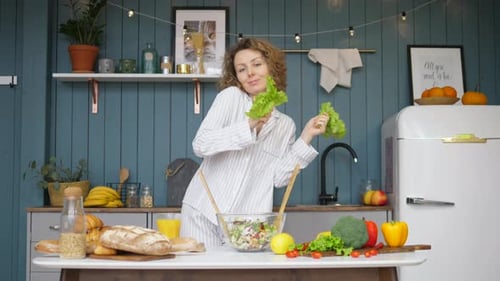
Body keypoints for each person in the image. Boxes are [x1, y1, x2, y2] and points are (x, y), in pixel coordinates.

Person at [179, 38, 329, 248]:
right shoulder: (230, 98)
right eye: (241, 69)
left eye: (257, 64)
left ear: (271, 68)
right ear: (237, 77)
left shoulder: (285, 125)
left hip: (247, 225)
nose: (249, 73)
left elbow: (279, 178)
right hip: (202, 212)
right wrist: (248, 125)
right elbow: (201, 144)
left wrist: (306, 136)